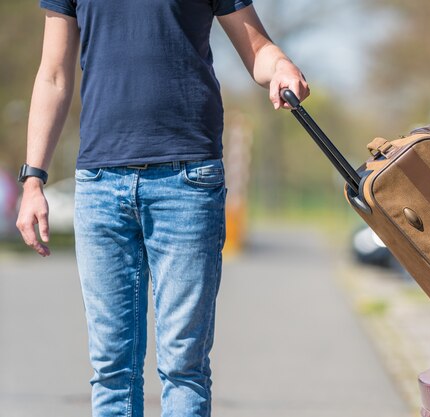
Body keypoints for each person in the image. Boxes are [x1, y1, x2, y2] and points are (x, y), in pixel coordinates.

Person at [15, 1, 309, 416]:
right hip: (100, 185)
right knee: (111, 369)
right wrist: (33, 179)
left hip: (188, 181)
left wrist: (280, 65)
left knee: (183, 366)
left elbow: (257, 48)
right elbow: (53, 75)